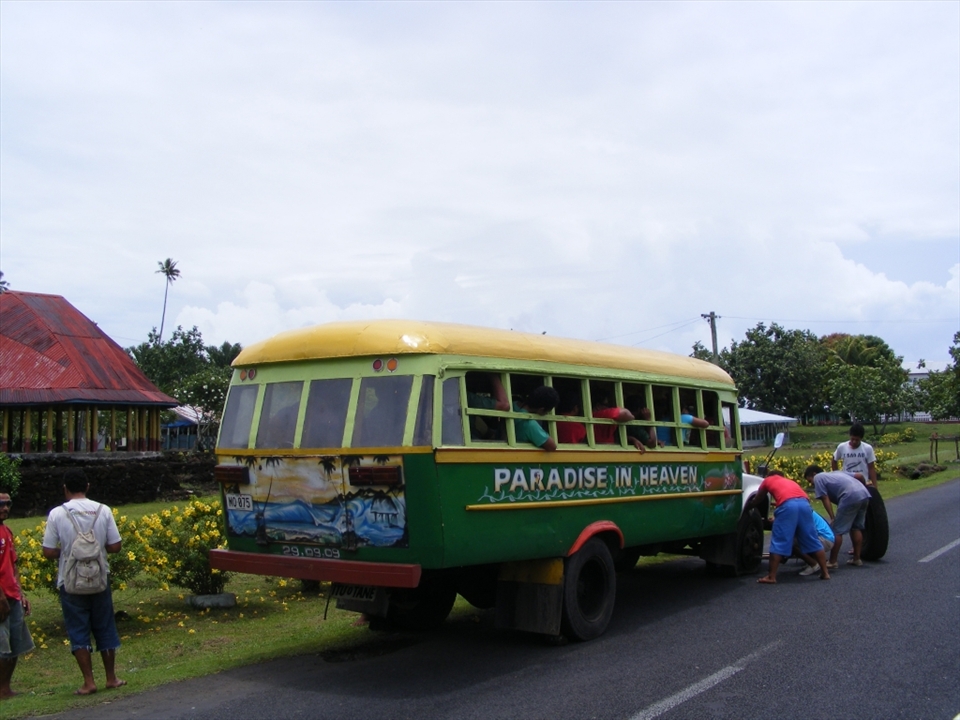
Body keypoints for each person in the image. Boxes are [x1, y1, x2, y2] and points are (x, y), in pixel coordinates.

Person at [42, 470, 126, 695]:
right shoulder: (103, 510)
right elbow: (116, 546)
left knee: (78, 629)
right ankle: (111, 677)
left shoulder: (57, 514)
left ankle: (89, 681)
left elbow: (48, 551)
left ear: (65, 489)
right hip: (99, 577)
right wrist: (95, 549)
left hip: (70, 580)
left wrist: (69, 552)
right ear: (87, 486)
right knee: (105, 625)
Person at [744, 473, 830, 583]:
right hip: (805, 504)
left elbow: (758, 498)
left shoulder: (767, 481)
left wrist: (748, 507)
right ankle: (825, 572)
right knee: (812, 539)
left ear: (769, 476)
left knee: (779, 540)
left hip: (788, 505)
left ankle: (771, 576)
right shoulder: (790, 481)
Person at [1, 491, 34, 700]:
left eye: (8, 504)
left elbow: (13, 565)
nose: (4, 508)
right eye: (0, 504)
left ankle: (5, 687)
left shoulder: (7, 531)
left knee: (15, 643)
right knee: (2, 645)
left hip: (12, 596)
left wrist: (21, 594)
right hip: (2, 598)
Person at [467, 375, 559, 451]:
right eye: (547, 411)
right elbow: (552, 446)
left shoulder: (514, 405)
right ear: (541, 409)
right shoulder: (529, 424)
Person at [804, 465, 871, 567]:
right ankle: (857, 559)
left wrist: (832, 517)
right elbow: (859, 476)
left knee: (836, 530)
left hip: (849, 496)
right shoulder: (837, 473)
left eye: (810, 481)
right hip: (864, 494)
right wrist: (864, 486)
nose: (812, 484)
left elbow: (824, 498)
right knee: (856, 528)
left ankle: (832, 561)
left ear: (813, 474)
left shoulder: (818, 477)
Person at [797, 511, 835, 576]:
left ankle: (814, 564)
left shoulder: (802, 513)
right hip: (826, 538)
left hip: (824, 539)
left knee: (793, 544)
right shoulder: (805, 509)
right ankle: (816, 561)